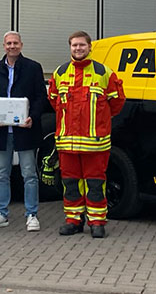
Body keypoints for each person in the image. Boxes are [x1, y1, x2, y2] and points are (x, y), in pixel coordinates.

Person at [48, 31, 125, 238]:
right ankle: (73, 220)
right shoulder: (60, 72)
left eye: (82, 45)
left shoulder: (104, 72)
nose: (78, 49)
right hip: (67, 143)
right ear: (70, 47)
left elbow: (116, 102)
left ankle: (97, 222)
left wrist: (100, 121)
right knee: (70, 183)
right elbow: (54, 101)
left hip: (95, 143)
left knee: (95, 183)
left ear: (90, 47)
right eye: (74, 45)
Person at [0, 31, 46, 232]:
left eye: (15, 43)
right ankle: (2, 213)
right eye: (8, 43)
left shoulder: (33, 68)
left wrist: (32, 118)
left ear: (21, 45)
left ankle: (32, 215)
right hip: (2, 131)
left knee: (29, 173)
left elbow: (40, 98)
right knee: (1, 174)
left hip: (25, 130)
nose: (12, 46)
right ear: (3, 46)